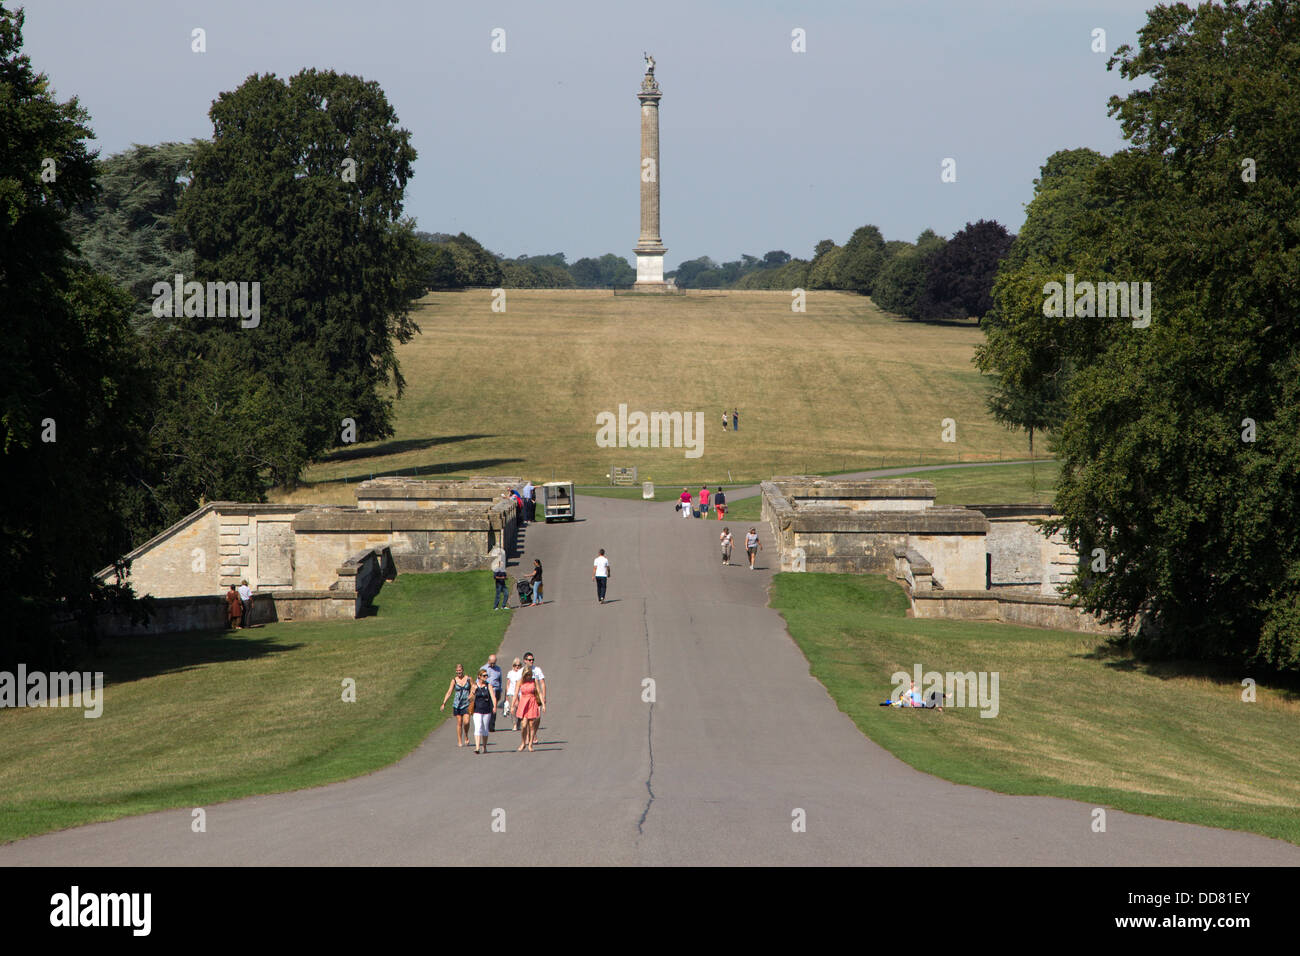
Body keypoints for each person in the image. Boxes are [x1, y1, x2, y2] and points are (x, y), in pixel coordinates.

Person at [439, 664, 473, 747]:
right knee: (459, 722)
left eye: (460, 670)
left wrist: (471, 695)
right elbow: (449, 692)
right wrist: (444, 703)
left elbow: (473, 687)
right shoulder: (454, 680)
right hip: (457, 704)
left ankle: (466, 735)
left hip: (466, 703)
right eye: (457, 671)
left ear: (463, 670)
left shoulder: (468, 679)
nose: (459, 672)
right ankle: (459, 740)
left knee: (466, 721)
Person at [515, 666, 544, 752]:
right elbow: (516, 692)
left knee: (531, 725)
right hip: (523, 702)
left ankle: (530, 744)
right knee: (523, 725)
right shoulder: (521, 681)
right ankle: (523, 742)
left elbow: (539, 691)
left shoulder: (534, 681)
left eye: (530, 675)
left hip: (532, 702)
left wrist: (543, 704)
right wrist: (513, 705)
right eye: (527, 675)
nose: (528, 677)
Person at [483, 654, 503, 731]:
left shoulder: (498, 669)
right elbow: (478, 680)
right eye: (491, 663)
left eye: (494, 663)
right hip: (487, 690)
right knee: (487, 708)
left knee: (493, 708)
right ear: (488, 661)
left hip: (496, 690)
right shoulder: (484, 668)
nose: (492, 664)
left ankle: (491, 726)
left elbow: (500, 680)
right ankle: (486, 724)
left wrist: (500, 690)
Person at [505, 657, 523, 729]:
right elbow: (508, 684)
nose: (517, 667)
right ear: (513, 665)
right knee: (514, 707)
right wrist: (506, 695)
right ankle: (514, 724)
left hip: (520, 692)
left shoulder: (522, 672)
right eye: (515, 665)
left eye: (518, 665)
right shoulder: (510, 673)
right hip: (511, 692)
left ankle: (519, 722)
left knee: (519, 707)